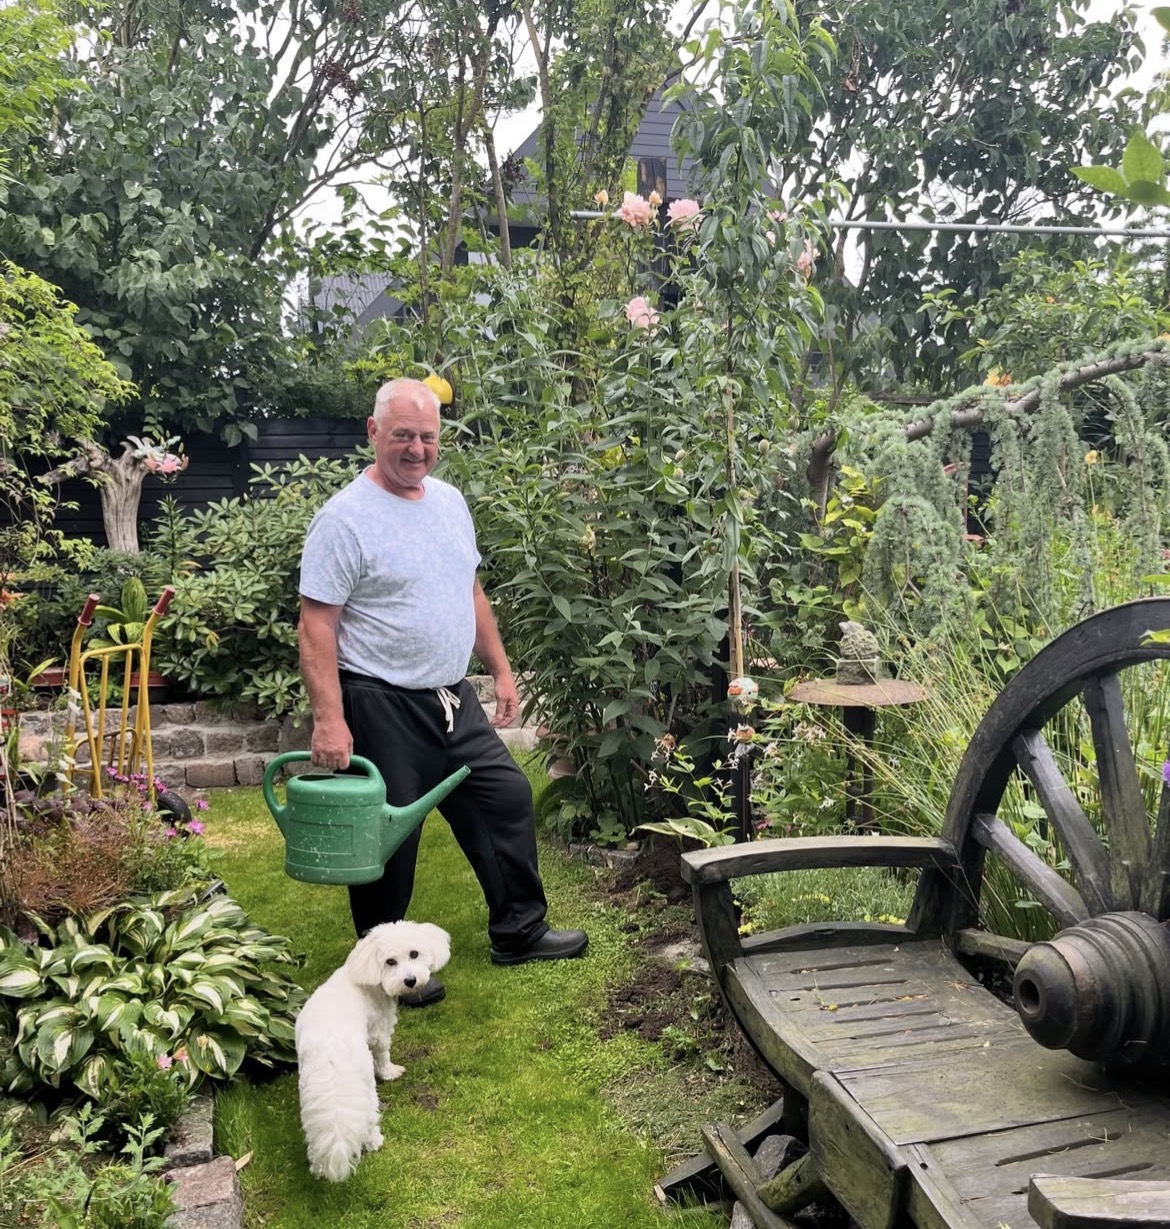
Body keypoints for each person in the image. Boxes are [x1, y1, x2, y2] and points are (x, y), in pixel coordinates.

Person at [297, 377, 588, 1006]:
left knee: (503, 796)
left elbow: (469, 591)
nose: (416, 448)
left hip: (451, 697)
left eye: (427, 436)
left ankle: (519, 932)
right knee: (389, 839)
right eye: (403, 435)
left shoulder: (451, 502)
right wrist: (329, 719)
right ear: (373, 433)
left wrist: (501, 669)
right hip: (378, 700)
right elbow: (316, 624)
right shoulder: (344, 519)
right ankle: (388, 975)